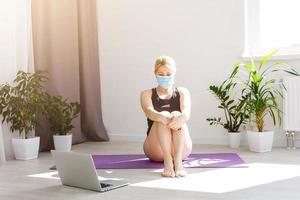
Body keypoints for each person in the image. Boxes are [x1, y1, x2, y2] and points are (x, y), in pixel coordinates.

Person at [140, 56, 192, 178]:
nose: (165, 77)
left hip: (182, 149)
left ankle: (177, 161)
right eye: (161, 74)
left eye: (168, 74)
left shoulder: (182, 92)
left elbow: (186, 113)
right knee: (162, 115)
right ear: (155, 74)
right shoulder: (146, 93)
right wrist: (162, 117)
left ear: (174, 74)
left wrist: (177, 118)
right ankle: (168, 161)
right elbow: (149, 112)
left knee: (177, 114)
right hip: (156, 150)